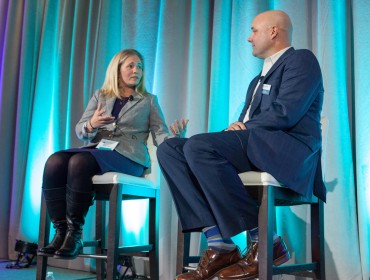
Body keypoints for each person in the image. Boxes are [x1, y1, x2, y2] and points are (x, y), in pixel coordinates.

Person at [157, 10, 325, 280]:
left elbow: (287, 112)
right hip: (255, 145)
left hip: (288, 151)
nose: (248, 38)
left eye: (254, 30)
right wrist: (232, 131)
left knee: (199, 146)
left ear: (273, 31)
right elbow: (242, 125)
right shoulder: (255, 81)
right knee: (171, 149)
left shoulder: (301, 60)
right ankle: (219, 244)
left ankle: (265, 241)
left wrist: (243, 128)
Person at [37, 49, 188, 260]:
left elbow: (160, 134)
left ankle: (75, 234)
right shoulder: (101, 95)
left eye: (140, 67)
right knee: (55, 161)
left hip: (129, 157)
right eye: (131, 66)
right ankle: (61, 231)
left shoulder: (148, 101)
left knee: (79, 162)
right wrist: (92, 124)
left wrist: (175, 139)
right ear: (117, 70)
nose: (137, 70)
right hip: (100, 151)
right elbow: (81, 129)